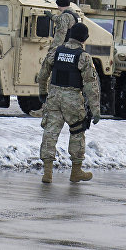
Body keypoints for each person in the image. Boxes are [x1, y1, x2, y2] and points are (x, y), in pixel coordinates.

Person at [37, 22, 101, 184]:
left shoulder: (55, 52)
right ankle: (76, 172)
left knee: (50, 132)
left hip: (54, 97)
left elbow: (43, 74)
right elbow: (91, 85)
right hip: (72, 99)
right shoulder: (84, 57)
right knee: (77, 132)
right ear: (84, 39)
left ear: (70, 34)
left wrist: (43, 93)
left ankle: (47, 173)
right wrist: (95, 109)